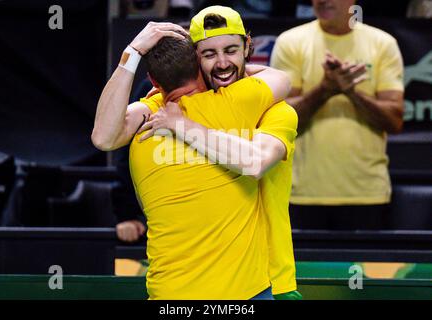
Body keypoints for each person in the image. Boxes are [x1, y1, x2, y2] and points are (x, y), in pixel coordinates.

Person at [92, 22, 292, 299]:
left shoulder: (146, 117)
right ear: (202, 65)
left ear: (153, 82)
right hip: (246, 293)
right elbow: (281, 78)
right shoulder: (244, 102)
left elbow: (102, 137)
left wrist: (132, 51)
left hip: (170, 294)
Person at [139, 6, 301, 300]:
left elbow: (256, 162)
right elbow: (105, 136)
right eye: (209, 54)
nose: (223, 63)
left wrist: (181, 124)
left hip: (268, 283)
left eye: (231, 50)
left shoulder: (276, 110)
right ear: (193, 59)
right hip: (186, 287)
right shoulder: (166, 107)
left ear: (247, 47)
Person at [270, 0, 405, 229]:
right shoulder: (290, 42)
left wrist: (351, 92)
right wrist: (325, 90)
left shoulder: (383, 44)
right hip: (301, 194)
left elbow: (394, 121)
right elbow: (279, 120)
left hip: (367, 194)